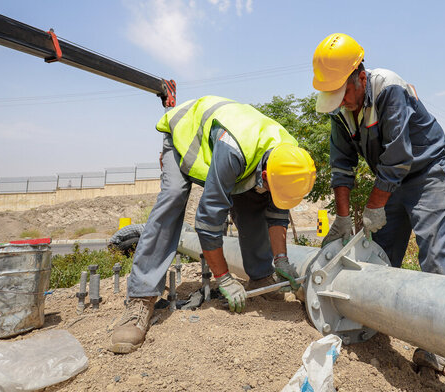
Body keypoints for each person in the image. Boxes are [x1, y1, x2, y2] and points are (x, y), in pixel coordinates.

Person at [109, 96, 316, 354]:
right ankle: (141, 297)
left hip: (235, 149)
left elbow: (276, 212)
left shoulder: (290, 160)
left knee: (253, 203)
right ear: (265, 174)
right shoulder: (234, 151)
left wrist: (281, 259)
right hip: (185, 135)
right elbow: (207, 222)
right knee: (173, 198)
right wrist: (224, 279)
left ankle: (261, 275)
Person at [311, 33, 445, 371]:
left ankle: (440, 343)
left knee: (433, 250)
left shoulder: (389, 87)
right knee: (381, 256)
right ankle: (377, 318)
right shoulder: (339, 110)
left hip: (425, 169)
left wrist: (374, 204)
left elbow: (400, 156)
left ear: (360, 77)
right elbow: (341, 168)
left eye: (344, 92)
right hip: (390, 178)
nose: (341, 101)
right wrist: (344, 219)